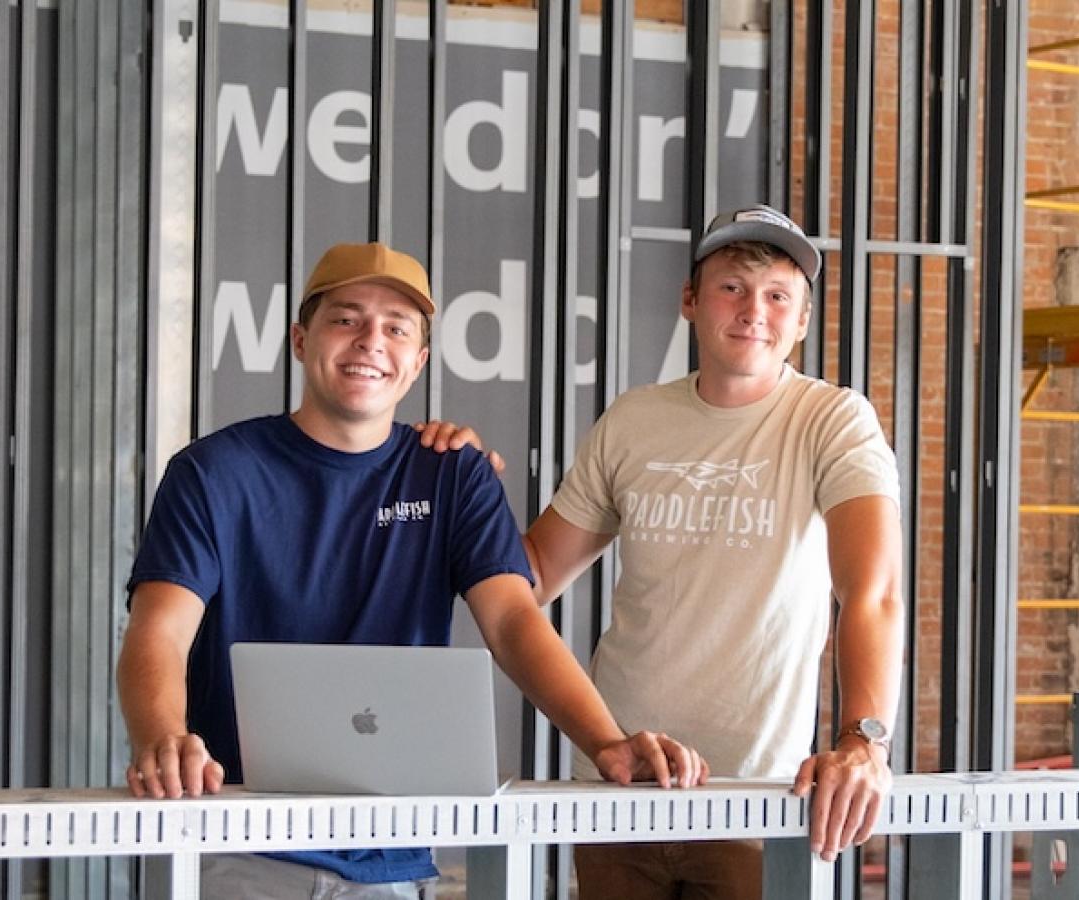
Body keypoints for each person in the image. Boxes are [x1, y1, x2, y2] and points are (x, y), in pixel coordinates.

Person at [117, 242, 707, 899]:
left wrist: (606, 743)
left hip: (393, 856)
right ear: (299, 338)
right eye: (346, 318)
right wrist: (164, 740)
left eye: (396, 328)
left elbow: (513, 620)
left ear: (417, 361)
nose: (371, 341)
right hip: (237, 846)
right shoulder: (213, 473)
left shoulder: (453, 473)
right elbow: (159, 633)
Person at [424, 205, 904, 899]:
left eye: (778, 296)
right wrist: (461, 481)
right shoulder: (634, 419)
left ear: (801, 321)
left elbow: (874, 592)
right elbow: (532, 575)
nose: (753, 311)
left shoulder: (831, 420)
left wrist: (866, 741)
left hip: (753, 796)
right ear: (690, 301)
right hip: (622, 784)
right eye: (732, 287)